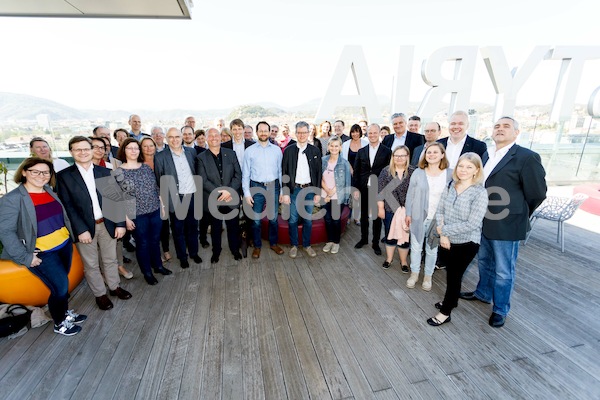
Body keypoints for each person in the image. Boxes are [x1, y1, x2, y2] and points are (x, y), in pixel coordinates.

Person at [460, 116, 547, 328]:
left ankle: (500, 309)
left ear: (516, 132)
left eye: (506, 126)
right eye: (497, 126)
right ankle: (482, 293)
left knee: (503, 270)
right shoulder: (487, 155)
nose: (500, 129)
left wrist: (517, 214)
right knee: (483, 261)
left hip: (507, 224)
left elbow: (537, 193)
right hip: (483, 220)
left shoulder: (527, 157)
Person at [0, 157, 87, 336]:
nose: (41, 176)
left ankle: (63, 312)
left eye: (46, 172)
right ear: (24, 172)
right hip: (42, 252)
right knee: (60, 286)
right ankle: (59, 322)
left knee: (62, 285)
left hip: (63, 245)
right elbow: (6, 232)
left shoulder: (48, 190)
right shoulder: (13, 199)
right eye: (35, 172)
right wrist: (25, 257)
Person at [56, 136, 132, 311]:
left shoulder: (104, 172)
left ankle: (114, 287)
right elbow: (67, 207)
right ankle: (100, 294)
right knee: (91, 264)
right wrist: (80, 229)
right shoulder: (64, 177)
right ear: (71, 152)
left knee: (110, 259)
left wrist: (120, 224)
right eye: (78, 149)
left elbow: (115, 199)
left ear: (91, 150)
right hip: (84, 228)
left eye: (86, 149)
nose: (82, 152)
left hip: (108, 224)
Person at [427, 153, 488, 326]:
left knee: (454, 277)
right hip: (446, 240)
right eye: (461, 166)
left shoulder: (480, 193)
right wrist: (444, 235)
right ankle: (452, 301)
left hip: (466, 243)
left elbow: (473, 223)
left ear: (476, 170)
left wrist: (444, 230)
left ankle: (445, 312)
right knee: (452, 275)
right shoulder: (450, 185)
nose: (463, 170)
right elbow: (440, 211)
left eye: (469, 167)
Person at [115, 138, 172, 285]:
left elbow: (156, 188)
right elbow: (118, 198)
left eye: (136, 148)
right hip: (136, 215)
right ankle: (147, 272)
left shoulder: (146, 168)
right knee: (143, 244)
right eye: (130, 148)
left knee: (155, 240)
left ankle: (158, 266)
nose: (134, 151)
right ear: (124, 151)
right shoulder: (118, 172)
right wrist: (126, 219)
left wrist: (163, 206)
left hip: (155, 210)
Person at [405, 142, 452, 291]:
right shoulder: (419, 172)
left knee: (432, 249)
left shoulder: (450, 174)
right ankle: (414, 274)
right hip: (419, 216)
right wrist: (408, 214)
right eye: (429, 152)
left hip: (438, 219)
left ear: (442, 155)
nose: (431, 155)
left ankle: (428, 276)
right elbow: (410, 195)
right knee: (416, 247)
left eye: (435, 152)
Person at [154, 127, 203, 269]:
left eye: (177, 136)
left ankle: (194, 252)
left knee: (193, 227)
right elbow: (159, 181)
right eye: (171, 137)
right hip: (175, 198)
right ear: (166, 139)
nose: (174, 140)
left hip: (192, 195)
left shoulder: (191, 152)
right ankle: (183, 256)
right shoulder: (160, 157)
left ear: (182, 138)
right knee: (178, 230)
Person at [196, 128, 243, 263]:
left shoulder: (231, 153)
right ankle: (216, 252)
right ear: (206, 138)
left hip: (231, 197)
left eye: (216, 135)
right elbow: (203, 180)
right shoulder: (201, 158)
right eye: (210, 136)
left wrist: (229, 191)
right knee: (216, 229)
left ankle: (235, 250)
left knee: (233, 227)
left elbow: (238, 175)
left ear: (220, 137)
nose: (214, 138)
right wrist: (221, 192)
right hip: (213, 199)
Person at [242, 121, 284, 259]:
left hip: (273, 186)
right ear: (257, 132)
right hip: (256, 187)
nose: (264, 133)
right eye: (261, 130)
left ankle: (273, 243)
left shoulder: (277, 150)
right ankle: (257, 246)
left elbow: (280, 171)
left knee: (273, 219)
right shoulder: (249, 151)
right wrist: (247, 193)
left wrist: (282, 191)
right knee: (256, 220)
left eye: (266, 130)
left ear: (269, 131)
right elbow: (246, 174)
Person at [281, 121, 322, 258]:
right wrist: (285, 193)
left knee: (307, 220)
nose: (302, 135)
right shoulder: (288, 150)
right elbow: (284, 173)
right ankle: (294, 245)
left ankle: (306, 245)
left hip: (309, 190)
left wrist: (317, 192)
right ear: (296, 133)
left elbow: (318, 173)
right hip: (294, 190)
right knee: (292, 219)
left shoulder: (315, 151)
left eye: (305, 132)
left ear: (309, 132)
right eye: (299, 132)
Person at [352, 124, 392, 255]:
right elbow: (356, 172)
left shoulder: (387, 151)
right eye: (370, 133)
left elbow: (389, 172)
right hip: (363, 188)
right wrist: (355, 189)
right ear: (367, 134)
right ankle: (364, 239)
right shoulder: (361, 151)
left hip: (379, 189)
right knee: (363, 215)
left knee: (376, 217)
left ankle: (375, 243)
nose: (373, 135)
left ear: (380, 133)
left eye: (375, 133)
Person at [377, 145, 415, 272]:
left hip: (407, 210)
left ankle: (404, 262)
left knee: (405, 236)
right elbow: (381, 192)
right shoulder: (386, 171)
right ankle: (389, 259)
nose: (399, 158)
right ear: (393, 157)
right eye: (396, 155)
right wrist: (380, 208)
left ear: (407, 157)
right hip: (390, 209)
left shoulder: (413, 172)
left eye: (402, 155)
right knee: (390, 235)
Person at [141, 136, 172, 263]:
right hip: (146, 202)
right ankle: (156, 254)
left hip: (162, 197)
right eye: (145, 146)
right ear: (141, 148)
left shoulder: (160, 159)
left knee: (164, 226)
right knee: (151, 230)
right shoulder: (138, 163)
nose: (149, 148)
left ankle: (166, 249)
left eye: (151, 145)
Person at [321, 137, 351, 254]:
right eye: (332, 146)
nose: (334, 148)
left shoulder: (344, 163)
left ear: (340, 147)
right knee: (327, 219)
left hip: (337, 196)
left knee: (335, 219)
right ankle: (329, 240)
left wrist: (331, 193)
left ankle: (336, 242)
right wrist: (326, 192)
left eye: (336, 146)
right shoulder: (323, 160)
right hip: (324, 195)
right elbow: (319, 177)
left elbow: (346, 182)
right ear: (328, 147)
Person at [342, 124, 369, 225]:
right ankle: (348, 217)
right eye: (353, 132)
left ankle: (357, 218)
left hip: (362, 175)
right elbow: (344, 159)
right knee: (349, 195)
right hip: (349, 174)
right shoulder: (346, 144)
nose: (355, 134)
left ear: (360, 132)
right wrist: (352, 170)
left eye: (357, 131)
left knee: (359, 196)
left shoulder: (366, 143)